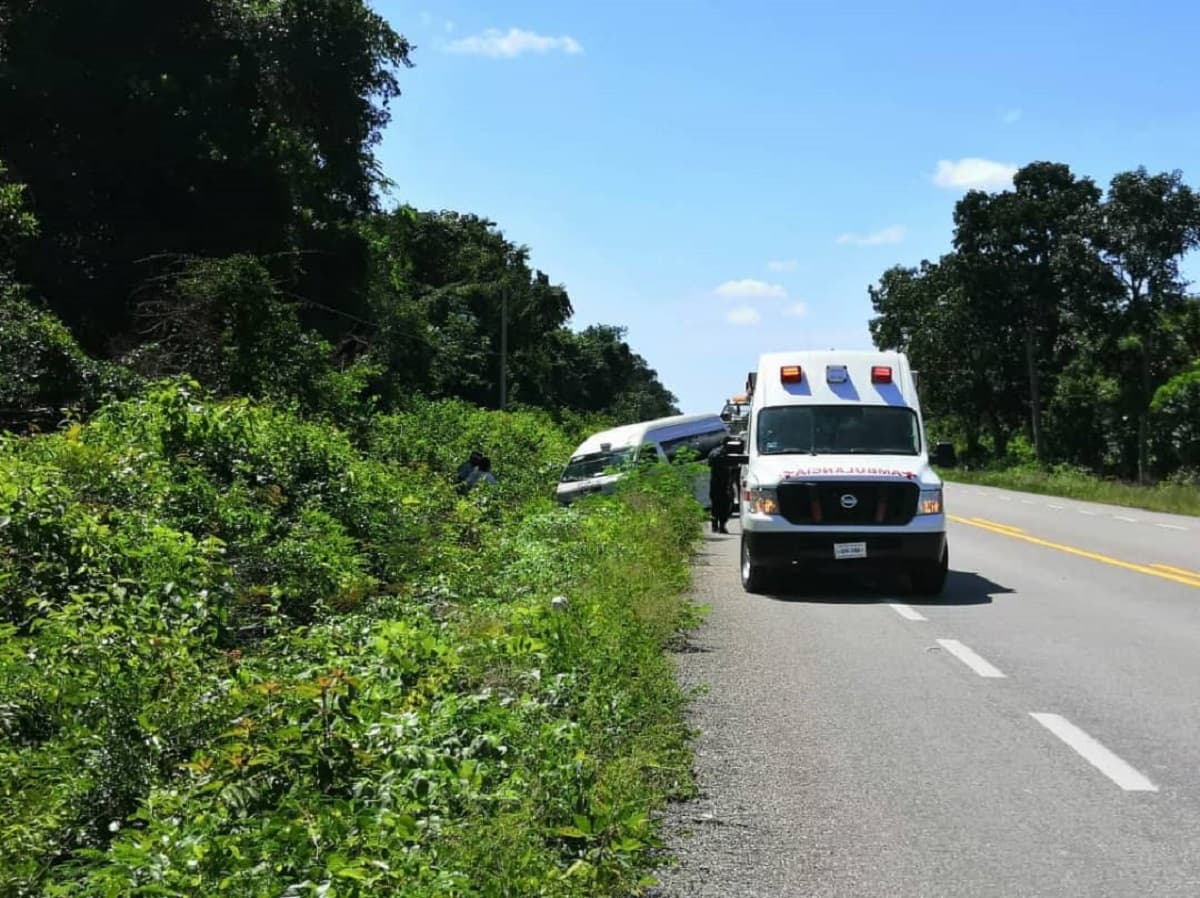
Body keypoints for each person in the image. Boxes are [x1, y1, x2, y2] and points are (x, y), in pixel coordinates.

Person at [708, 441, 734, 533]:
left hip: (715, 483)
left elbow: (709, 463)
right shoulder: (725, 453)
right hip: (724, 484)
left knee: (715, 506)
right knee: (725, 506)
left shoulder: (713, 452)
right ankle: (721, 526)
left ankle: (715, 526)